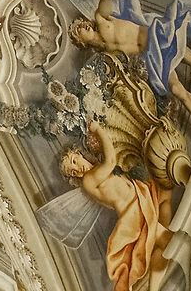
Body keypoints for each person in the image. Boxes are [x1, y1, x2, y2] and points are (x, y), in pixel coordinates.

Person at [70, 0, 191, 134]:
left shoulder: (101, 21)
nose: (83, 24)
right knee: (178, 91)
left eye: (82, 22)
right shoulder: (107, 57)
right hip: (152, 58)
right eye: (78, 29)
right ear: (82, 43)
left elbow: (104, 6)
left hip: (157, 35)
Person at [59, 123, 174, 291]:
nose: (77, 168)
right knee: (170, 241)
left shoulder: (96, 170)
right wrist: (99, 130)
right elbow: (111, 161)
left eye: (74, 161)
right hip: (133, 214)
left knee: (166, 235)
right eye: (72, 171)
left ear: (78, 153)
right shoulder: (88, 180)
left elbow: (111, 196)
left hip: (138, 202)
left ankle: (153, 288)